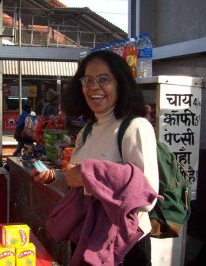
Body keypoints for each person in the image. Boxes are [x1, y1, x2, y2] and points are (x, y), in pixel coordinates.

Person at [32, 50, 159, 265]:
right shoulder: (88, 130)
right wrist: (56, 177)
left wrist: (86, 177)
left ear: (120, 84)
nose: (94, 87)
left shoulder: (135, 127)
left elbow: (147, 200)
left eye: (103, 79)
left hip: (121, 246)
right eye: (87, 80)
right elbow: (79, 187)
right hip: (87, 237)